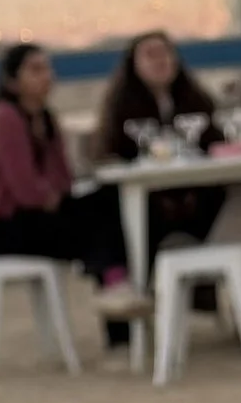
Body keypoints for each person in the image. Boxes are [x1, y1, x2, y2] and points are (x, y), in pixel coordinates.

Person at [0, 44, 133, 296]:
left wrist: (53, 193)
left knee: (109, 202)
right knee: (98, 222)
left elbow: (63, 179)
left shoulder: (45, 119)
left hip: (35, 215)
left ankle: (115, 285)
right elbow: (27, 190)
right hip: (0, 225)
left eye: (47, 68)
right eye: (35, 70)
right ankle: (114, 281)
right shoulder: (4, 119)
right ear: (12, 81)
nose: (47, 76)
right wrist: (50, 196)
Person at [90, 31, 226, 259]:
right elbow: (111, 155)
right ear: (134, 65)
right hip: (148, 200)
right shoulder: (121, 108)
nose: (160, 61)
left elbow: (214, 145)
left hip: (197, 193)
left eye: (165, 53)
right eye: (150, 55)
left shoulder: (196, 101)